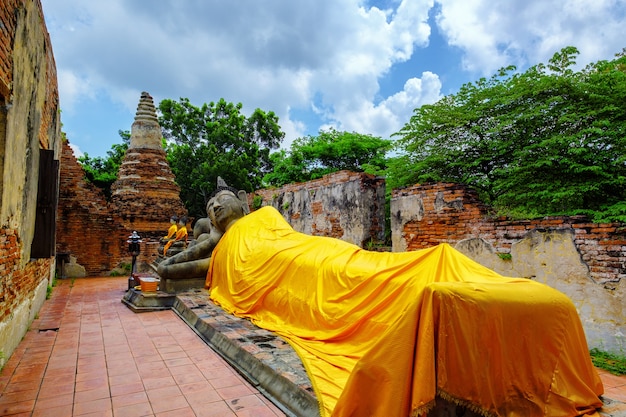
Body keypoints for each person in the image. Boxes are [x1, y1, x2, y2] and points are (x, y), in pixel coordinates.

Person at [205, 200, 604, 416]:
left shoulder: (267, 216)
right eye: (210, 210)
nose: (216, 209)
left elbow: (295, 238)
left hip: (312, 252)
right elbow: (187, 261)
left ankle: (433, 283)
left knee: (356, 264)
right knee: (333, 274)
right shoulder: (219, 241)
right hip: (282, 267)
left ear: (240, 202)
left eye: (221, 202)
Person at [157, 178, 248, 279]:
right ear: (212, 223)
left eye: (223, 198)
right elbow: (164, 268)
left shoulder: (265, 215)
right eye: (210, 210)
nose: (216, 206)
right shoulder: (223, 252)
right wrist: (212, 240)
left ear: (243, 201)